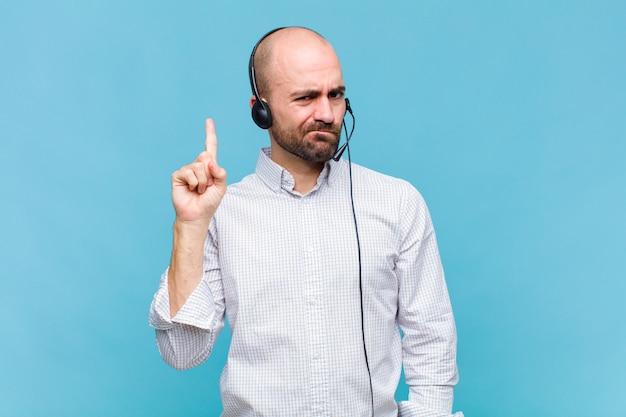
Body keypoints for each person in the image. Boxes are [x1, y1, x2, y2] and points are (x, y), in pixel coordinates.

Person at [149, 26, 462, 417]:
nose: (327, 114)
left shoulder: (397, 202)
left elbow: (431, 339)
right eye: (305, 98)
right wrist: (190, 227)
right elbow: (182, 352)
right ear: (260, 109)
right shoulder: (222, 212)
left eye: (336, 94)